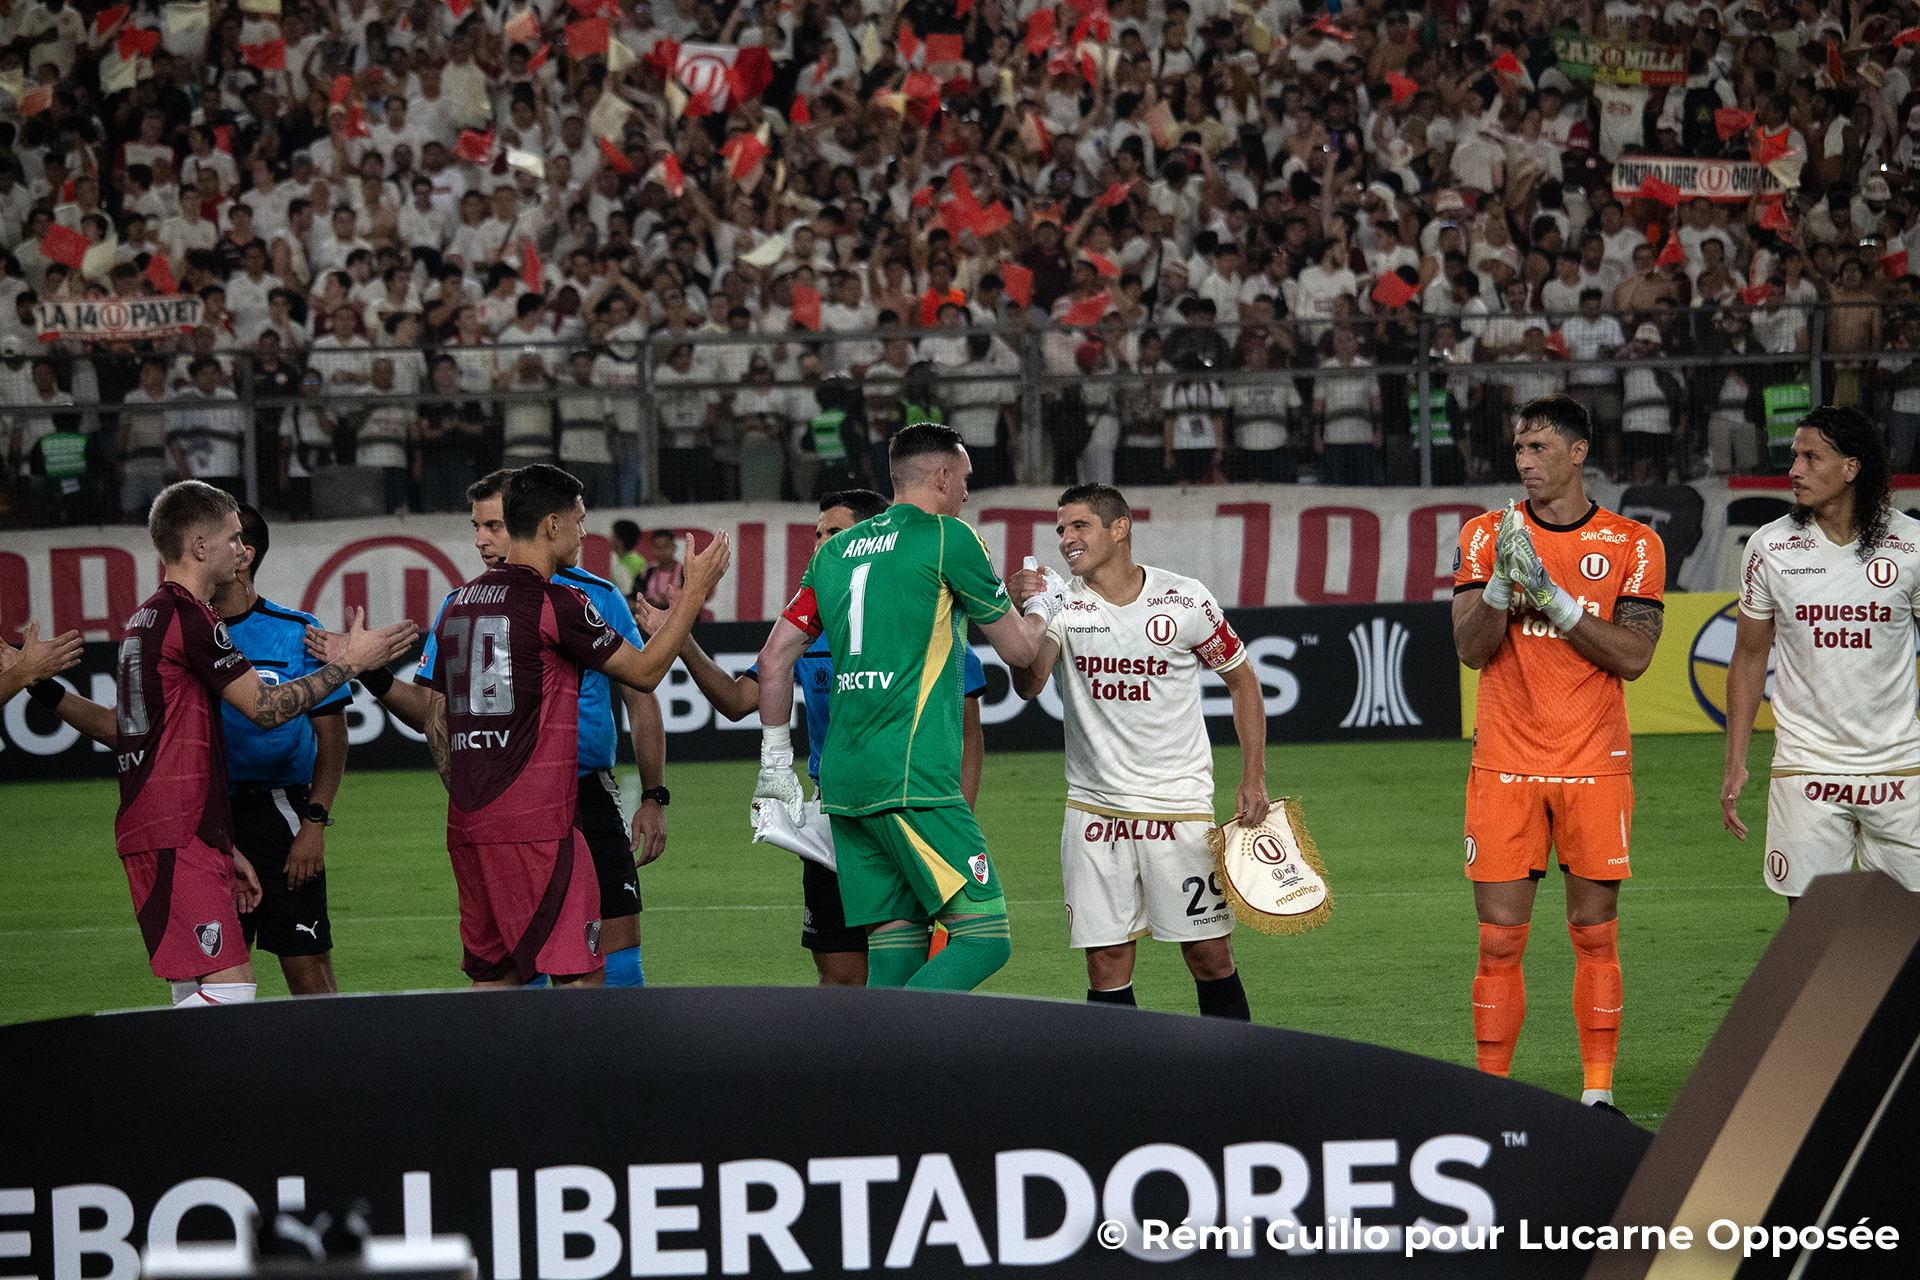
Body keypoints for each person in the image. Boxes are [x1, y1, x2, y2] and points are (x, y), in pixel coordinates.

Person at [31, 481, 414, 1006]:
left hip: (195, 824)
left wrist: (233, 844)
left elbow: (125, 730)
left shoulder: (147, 620)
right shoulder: (190, 618)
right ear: (200, 545)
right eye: (232, 537)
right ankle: (136, 1061)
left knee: (202, 988)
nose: (241, 549)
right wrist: (351, 663)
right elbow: (264, 708)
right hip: (181, 826)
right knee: (231, 993)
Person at [635, 489, 990, 986]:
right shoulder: (805, 629)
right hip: (835, 817)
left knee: (908, 965)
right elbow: (737, 701)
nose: (822, 543)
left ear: (873, 538)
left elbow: (969, 740)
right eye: (818, 534)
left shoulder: (925, 620)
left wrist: (957, 823)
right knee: (840, 977)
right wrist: (683, 641)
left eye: (834, 532)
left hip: (913, 810)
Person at [332, 470, 671, 989]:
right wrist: (371, 674)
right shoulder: (463, 603)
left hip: (586, 793)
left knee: (615, 963)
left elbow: (640, 697)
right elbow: (432, 712)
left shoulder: (596, 597)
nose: (481, 540)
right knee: (539, 970)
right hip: (519, 803)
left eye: (492, 526)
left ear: (525, 523)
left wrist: (653, 794)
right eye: (477, 526)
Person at [752, 425, 1049, 989]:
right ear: (942, 475)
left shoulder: (833, 552)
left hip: (844, 787)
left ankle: (884, 1049)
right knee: (985, 938)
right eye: (965, 478)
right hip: (911, 777)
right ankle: (901, 1043)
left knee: (895, 954)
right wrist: (1041, 606)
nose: (967, 491)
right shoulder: (948, 537)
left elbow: (772, 660)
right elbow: (1020, 651)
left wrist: (775, 764)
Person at [417, 466, 727, 987]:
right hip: (542, 822)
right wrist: (693, 593)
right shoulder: (557, 602)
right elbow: (645, 673)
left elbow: (436, 716)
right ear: (552, 524)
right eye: (579, 521)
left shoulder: (458, 605)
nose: (584, 533)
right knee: (581, 979)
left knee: (495, 979)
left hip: (471, 822)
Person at [1451, 394, 1667, 1113]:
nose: (1525, 461)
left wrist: (1555, 599)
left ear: (1579, 453)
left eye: (1539, 447)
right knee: (1498, 943)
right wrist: (1503, 586)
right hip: (1504, 762)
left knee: (1594, 935)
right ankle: (1491, 1098)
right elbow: (1471, 648)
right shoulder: (1487, 535)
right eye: (1519, 448)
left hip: (1593, 764)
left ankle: (1596, 1094)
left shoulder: (1635, 543)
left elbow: (1634, 656)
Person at [1006, 484, 1264, 1018]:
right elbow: (1029, 685)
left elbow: (1242, 680)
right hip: (1094, 811)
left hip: (1180, 808)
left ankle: (1236, 1064)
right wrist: (1023, 610)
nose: (1066, 539)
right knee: (1106, 963)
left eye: (1079, 526)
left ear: (1119, 527)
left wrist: (1253, 775)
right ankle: (1120, 1073)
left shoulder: (1185, 599)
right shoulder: (1061, 604)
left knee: (1209, 955)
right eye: (1060, 530)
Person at [1721, 408, 1920, 900]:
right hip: (1806, 768)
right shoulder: (1769, 546)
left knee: (1903, 931)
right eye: (1795, 457)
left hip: (1898, 768)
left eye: (1811, 458)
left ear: (1851, 467)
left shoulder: (1912, 544)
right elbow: (1749, 657)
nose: (1794, 470)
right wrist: (1735, 760)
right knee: (1811, 931)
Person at [609, 520, 647, 597]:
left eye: (613, 536)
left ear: (620, 541)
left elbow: (627, 592)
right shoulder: (620, 559)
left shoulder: (632, 563)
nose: (610, 539)